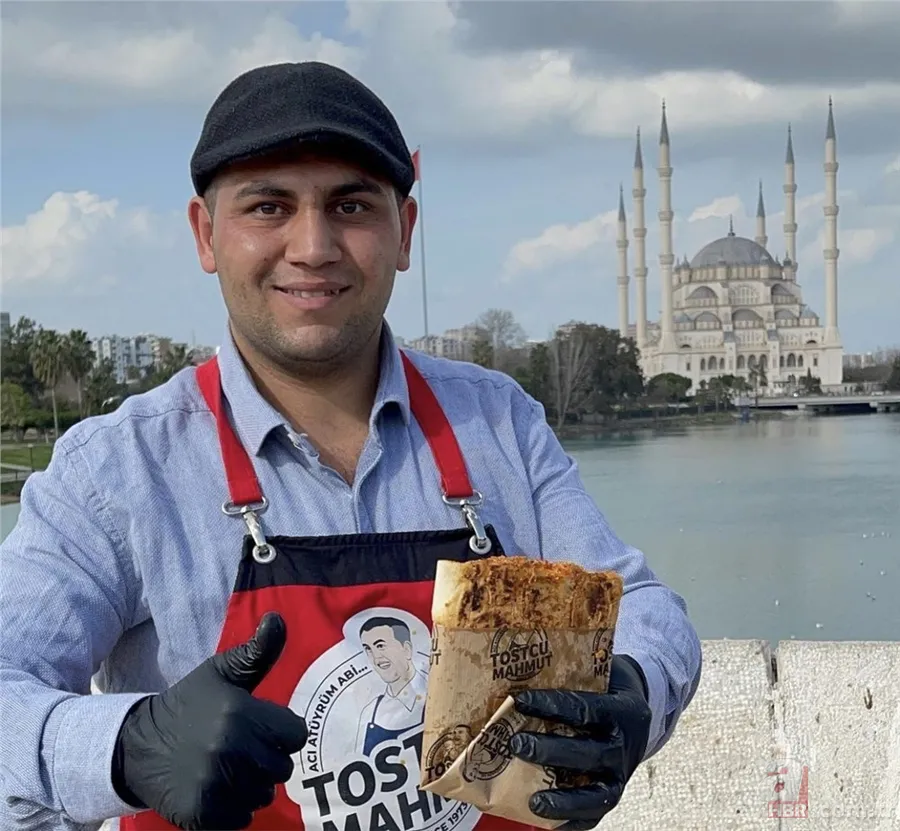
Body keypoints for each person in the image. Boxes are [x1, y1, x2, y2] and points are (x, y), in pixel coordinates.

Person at [0, 61, 702, 831]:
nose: (313, 245)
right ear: (206, 235)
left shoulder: (499, 422)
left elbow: (635, 603)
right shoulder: (116, 470)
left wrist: (634, 684)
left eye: (351, 204)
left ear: (405, 229)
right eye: (268, 206)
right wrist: (127, 744)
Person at [355, 616, 427, 757]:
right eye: (368, 649)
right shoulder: (370, 712)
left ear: (406, 649)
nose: (376, 658)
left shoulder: (438, 695)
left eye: (381, 646)